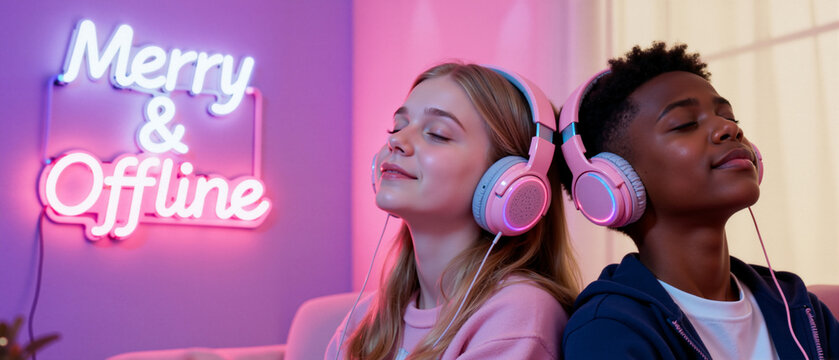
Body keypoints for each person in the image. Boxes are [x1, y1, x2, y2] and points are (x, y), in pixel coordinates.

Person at [557, 42, 839, 359]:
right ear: (614, 180)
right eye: (686, 123)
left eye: (729, 116)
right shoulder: (607, 331)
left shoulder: (799, 308)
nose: (728, 128)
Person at [325, 63, 579, 359]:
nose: (395, 141)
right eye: (397, 126)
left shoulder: (519, 314)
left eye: (437, 134)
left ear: (507, 180)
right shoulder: (367, 319)